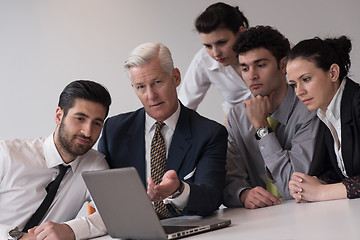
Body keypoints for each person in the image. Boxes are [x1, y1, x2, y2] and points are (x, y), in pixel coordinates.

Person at [53, 42, 227, 240]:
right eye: (141, 87)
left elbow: (212, 198)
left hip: (188, 233)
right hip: (128, 234)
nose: (151, 95)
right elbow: (104, 195)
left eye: (157, 83)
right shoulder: (114, 129)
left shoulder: (210, 133)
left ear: (175, 77)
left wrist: (179, 190)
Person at [0, 80, 111, 240]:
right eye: (80, 118)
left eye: (97, 123)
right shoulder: (7, 154)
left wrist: (71, 229)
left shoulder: (94, 165)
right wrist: (18, 237)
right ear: (59, 116)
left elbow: (112, 214)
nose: (87, 131)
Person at [223, 26, 320, 209]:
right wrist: (243, 194)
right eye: (245, 68)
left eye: (260, 65)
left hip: (308, 213)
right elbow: (229, 181)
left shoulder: (309, 108)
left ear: (282, 65)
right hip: (260, 221)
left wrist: (261, 126)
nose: (252, 76)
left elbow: (292, 187)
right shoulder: (237, 116)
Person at [286, 36, 360, 202]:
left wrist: (321, 192)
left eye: (306, 79)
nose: (298, 92)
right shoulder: (326, 113)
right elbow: (341, 171)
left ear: (333, 73)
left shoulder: (357, 102)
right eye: (294, 84)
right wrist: (307, 185)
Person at [178, 2, 252, 120]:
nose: (216, 53)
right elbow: (184, 106)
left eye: (221, 43)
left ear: (241, 32)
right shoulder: (203, 59)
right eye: (208, 46)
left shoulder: (272, 45)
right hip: (236, 123)